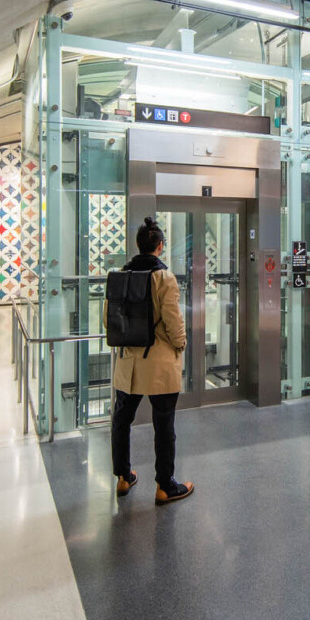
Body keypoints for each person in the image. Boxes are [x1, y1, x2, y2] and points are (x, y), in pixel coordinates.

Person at [109, 216, 194, 505]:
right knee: (164, 423)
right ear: (160, 246)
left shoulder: (121, 275)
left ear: (139, 245)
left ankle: (123, 476)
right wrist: (180, 343)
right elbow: (173, 318)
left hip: (128, 363)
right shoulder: (163, 278)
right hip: (158, 362)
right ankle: (165, 485)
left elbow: (108, 317)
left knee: (122, 418)